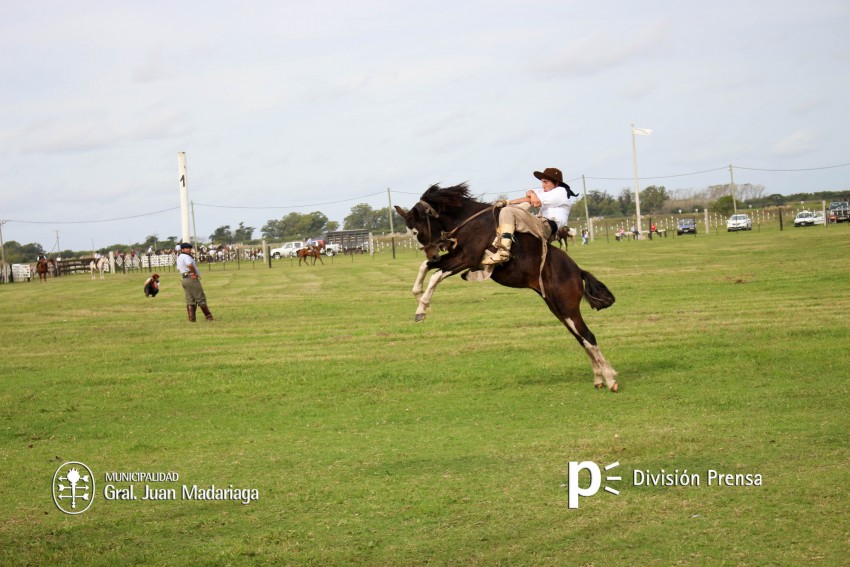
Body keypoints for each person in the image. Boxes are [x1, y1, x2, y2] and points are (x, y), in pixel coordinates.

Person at [482, 167, 577, 265]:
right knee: (521, 207)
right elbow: (529, 192)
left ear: (556, 183)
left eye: (545, 182)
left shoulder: (561, 192)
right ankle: (497, 243)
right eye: (542, 182)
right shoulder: (544, 191)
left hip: (547, 227)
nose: (542, 185)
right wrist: (532, 194)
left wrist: (508, 202)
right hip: (540, 223)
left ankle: (503, 252)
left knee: (508, 211)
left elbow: (533, 199)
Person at [176, 243, 214, 322]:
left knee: (190, 300)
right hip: (191, 278)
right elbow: (189, 265)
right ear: (182, 249)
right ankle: (209, 317)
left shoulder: (179, 257)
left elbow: (179, 268)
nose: (189, 249)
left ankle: (192, 319)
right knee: (200, 298)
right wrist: (194, 273)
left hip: (184, 278)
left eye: (189, 248)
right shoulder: (186, 257)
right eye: (186, 248)